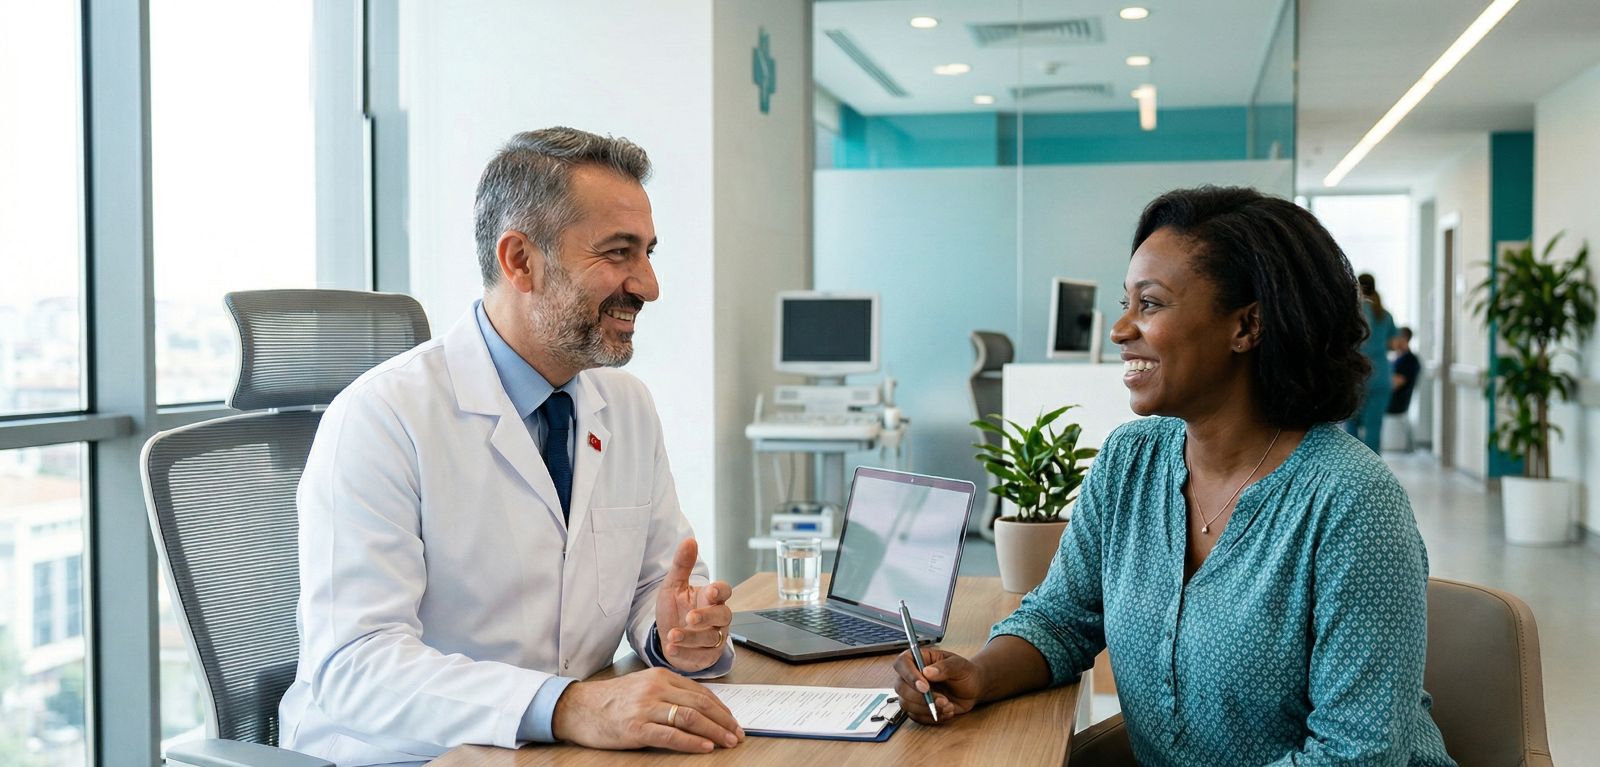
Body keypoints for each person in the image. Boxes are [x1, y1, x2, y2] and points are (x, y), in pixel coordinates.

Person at [891, 187, 1454, 766]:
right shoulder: (1130, 460)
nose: (1119, 329)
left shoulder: (1353, 502)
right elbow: (1061, 619)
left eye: (1150, 305)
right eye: (1126, 303)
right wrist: (976, 675)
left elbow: (1356, 756)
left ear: (1247, 326)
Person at [279, 127, 744, 764]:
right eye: (618, 253)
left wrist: (676, 635)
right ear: (520, 260)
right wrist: (567, 705)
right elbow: (355, 665)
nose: (649, 284)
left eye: (648, 252)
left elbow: (655, 584)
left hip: (557, 746)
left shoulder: (625, 405)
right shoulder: (383, 416)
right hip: (406, 753)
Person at [1345, 272, 1398, 452]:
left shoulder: (1352, 312)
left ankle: (1353, 469)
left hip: (1356, 375)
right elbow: (1394, 343)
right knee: (1374, 428)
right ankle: (1372, 473)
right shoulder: (1385, 315)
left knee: (1351, 426)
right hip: (1381, 376)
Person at [1388, 326, 1421, 415]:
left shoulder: (1409, 359)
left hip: (1396, 409)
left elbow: (1395, 383)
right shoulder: (1398, 358)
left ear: (1404, 338)